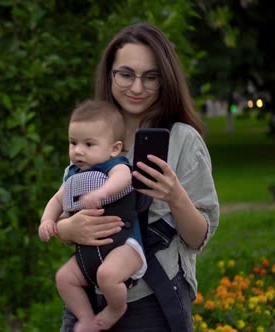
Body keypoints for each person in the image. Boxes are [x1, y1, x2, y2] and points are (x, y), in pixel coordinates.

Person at [55, 22, 220, 331]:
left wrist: (175, 195)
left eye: (151, 77)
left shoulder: (182, 139)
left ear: (165, 79)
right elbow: (65, 208)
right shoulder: (92, 134)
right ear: (110, 74)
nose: (137, 88)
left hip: (151, 301)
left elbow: (198, 237)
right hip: (87, 298)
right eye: (126, 74)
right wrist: (67, 229)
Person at [38, 100, 147, 332]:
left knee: (108, 275)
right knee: (64, 278)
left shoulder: (115, 166)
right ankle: (86, 317)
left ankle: (117, 308)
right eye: (73, 143)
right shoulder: (73, 174)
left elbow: (124, 178)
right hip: (88, 255)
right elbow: (57, 200)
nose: (78, 151)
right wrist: (47, 220)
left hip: (125, 247)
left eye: (88, 144)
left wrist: (102, 193)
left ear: (114, 148)